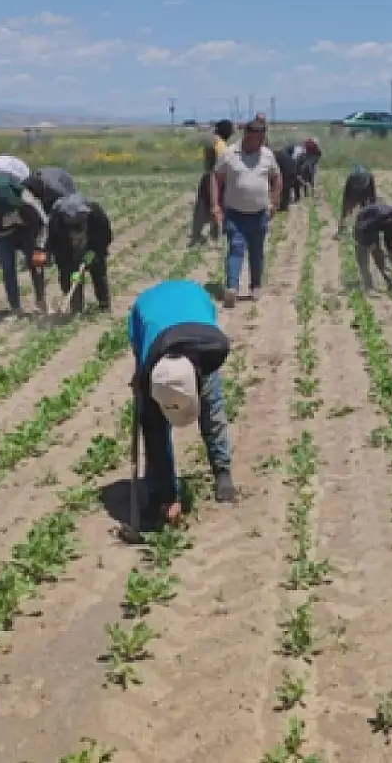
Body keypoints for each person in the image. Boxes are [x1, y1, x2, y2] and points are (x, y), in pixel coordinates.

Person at [129, 280, 237, 527]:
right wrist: (168, 497)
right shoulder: (150, 372)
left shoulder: (213, 348)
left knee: (212, 409)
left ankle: (222, 471)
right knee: (152, 424)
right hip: (148, 318)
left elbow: (211, 407)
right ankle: (161, 490)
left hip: (193, 310)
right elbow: (155, 432)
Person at [210, 118, 281, 306]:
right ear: (246, 135)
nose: (257, 142)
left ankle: (255, 286)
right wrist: (216, 205)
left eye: (261, 138)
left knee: (257, 252)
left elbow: (276, 177)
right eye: (254, 138)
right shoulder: (229, 153)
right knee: (236, 248)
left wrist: (274, 202)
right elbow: (216, 178)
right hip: (235, 213)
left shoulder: (267, 155)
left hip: (259, 213)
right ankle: (231, 288)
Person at [0, 174, 48, 315]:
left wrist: (39, 248)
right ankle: (15, 307)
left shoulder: (28, 201)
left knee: (37, 263)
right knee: (8, 268)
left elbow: (43, 223)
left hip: (26, 231)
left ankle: (42, 300)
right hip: (2, 234)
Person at [46, 193, 113, 313]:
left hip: (92, 247)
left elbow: (106, 236)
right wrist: (70, 267)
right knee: (69, 277)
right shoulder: (56, 221)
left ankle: (104, 304)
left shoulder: (97, 215)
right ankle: (76, 306)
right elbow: (56, 246)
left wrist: (94, 252)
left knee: (98, 272)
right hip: (67, 251)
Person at [191, 121, 235, 246]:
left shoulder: (212, 141)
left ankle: (197, 235)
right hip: (216, 179)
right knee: (217, 206)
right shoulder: (220, 145)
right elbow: (222, 165)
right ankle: (215, 237)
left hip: (207, 176)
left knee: (202, 207)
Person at [337, 162, 378, 239]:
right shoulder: (368, 175)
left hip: (356, 193)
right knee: (365, 212)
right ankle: (364, 230)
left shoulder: (352, 176)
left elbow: (346, 192)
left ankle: (342, 230)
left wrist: (346, 203)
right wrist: (373, 204)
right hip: (362, 193)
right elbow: (373, 192)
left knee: (346, 212)